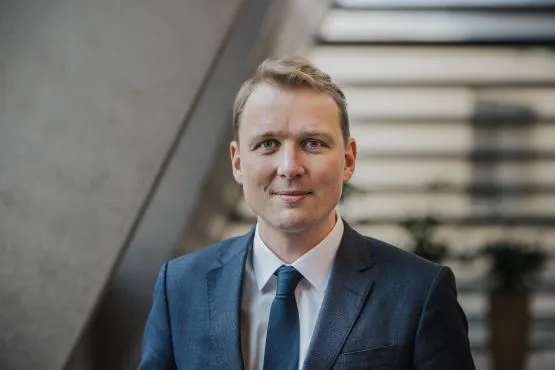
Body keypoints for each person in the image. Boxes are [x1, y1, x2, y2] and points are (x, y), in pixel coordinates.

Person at [139, 57, 476, 370]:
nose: (290, 167)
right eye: (268, 143)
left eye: (313, 143)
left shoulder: (419, 292)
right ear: (238, 162)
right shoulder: (181, 287)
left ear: (348, 159)